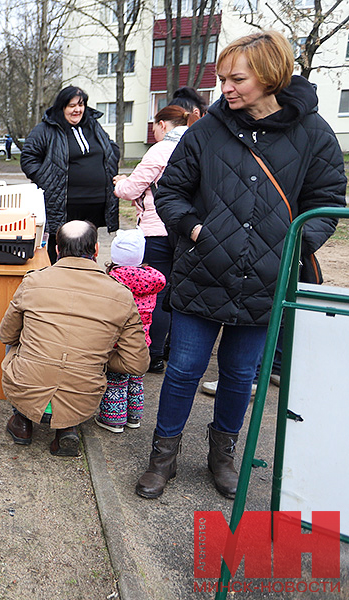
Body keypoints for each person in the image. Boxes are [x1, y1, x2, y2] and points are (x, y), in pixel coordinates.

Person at [136, 31, 346, 501]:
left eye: (236, 79)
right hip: (203, 271)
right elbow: (170, 192)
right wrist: (195, 231)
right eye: (221, 78)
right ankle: (162, 457)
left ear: (270, 76)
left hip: (266, 282)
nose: (224, 88)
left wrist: (291, 248)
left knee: (240, 375)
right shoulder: (208, 129)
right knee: (183, 370)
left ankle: (222, 456)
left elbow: (327, 203)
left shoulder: (313, 133)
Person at [0, 221, 150, 456]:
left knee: (17, 343)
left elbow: (5, 335)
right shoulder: (122, 295)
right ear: (97, 250)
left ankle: (22, 422)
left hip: (25, 388)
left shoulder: (33, 281)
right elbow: (137, 363)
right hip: (82, 400)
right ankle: (66, 429)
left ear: (57, 249)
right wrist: (100, 357)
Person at [112, 104, 197, 373]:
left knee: (156, 293)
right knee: (179, 291)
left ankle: (154, 354)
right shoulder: (199, 146)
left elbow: (131, 189)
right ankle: (175, 349)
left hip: (158, 230)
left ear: (162, 125)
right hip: (189, 230)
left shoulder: (159, 151)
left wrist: (120, 182)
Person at [21, 86, 120, 263]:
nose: (77, 110)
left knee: (87, 249)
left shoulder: (93, 126)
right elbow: (28, 158)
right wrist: (46, 179)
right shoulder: (46, 129)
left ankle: (86, 285)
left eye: (80, 105)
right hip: (64, 205)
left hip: (95, 204)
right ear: (62, 107)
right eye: (71, 105)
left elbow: (110, 147)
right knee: (60, 249)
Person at [95, 229, 165, 433]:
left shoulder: (113, 281)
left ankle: (113, 419)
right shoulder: (151, 280)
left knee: (116, 379)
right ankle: (134, 417)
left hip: (118, 342)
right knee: (136, 378)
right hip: (142, 341)